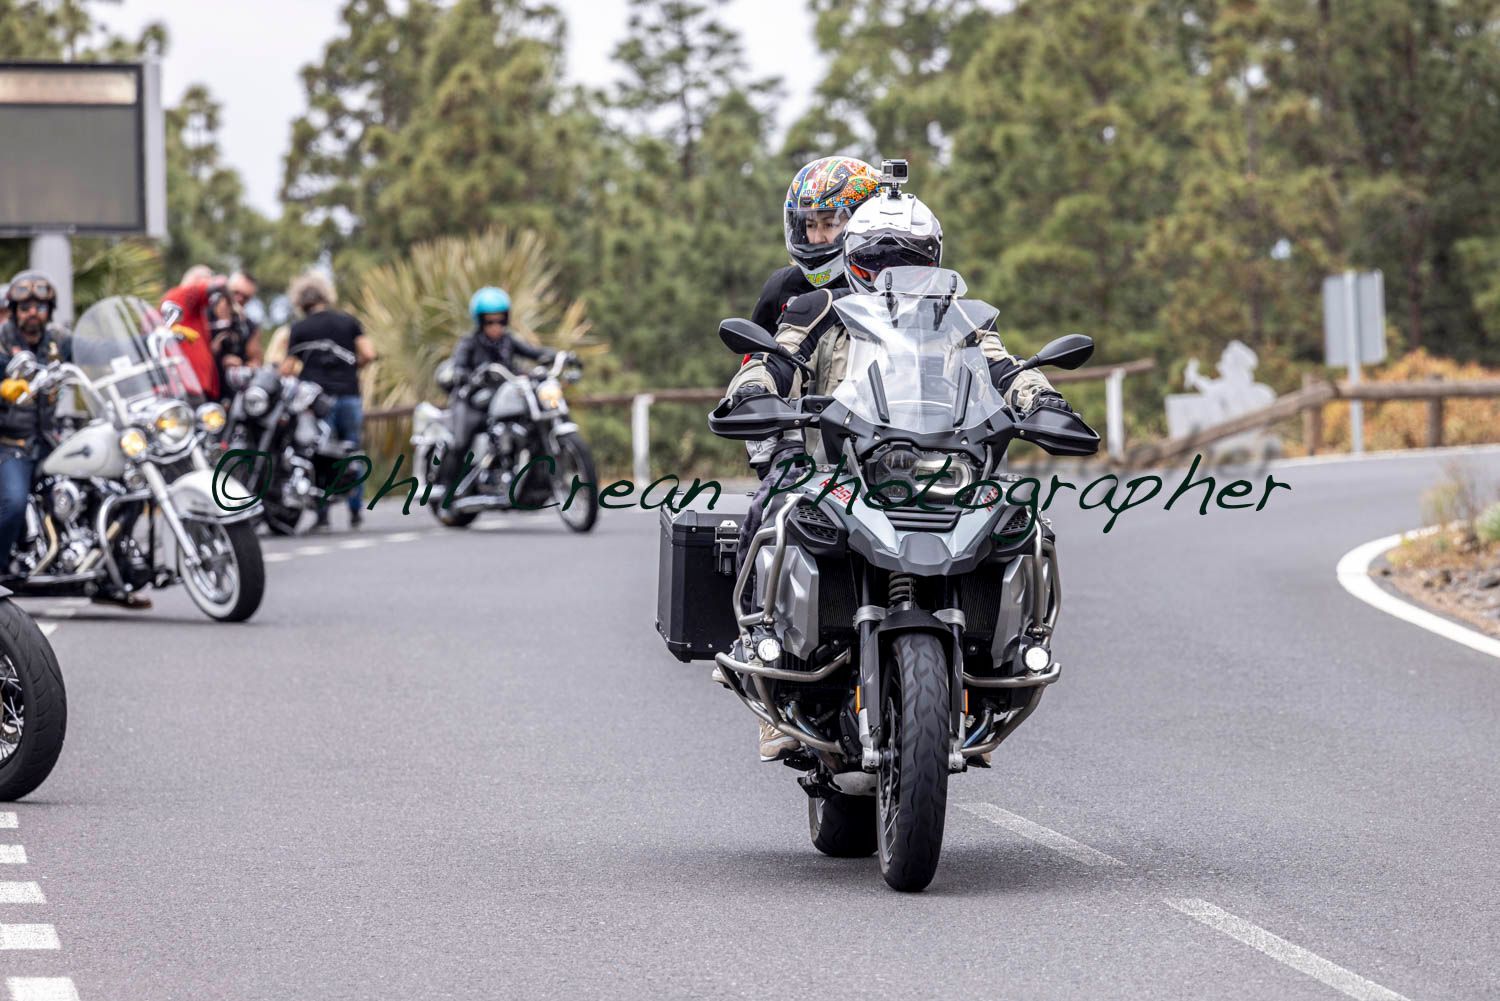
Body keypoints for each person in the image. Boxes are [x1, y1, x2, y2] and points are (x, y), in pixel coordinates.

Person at [724, 189, 1082, 762]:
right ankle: (762, 651)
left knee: (1023, 523)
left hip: (943, 458)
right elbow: (775, 357)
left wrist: (1044, 401)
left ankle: (995, 665)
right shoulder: (818, 309)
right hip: (842, 462)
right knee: (774, 506)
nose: (896, 273)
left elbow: (1005, 366)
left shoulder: (964, 319)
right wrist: (755, 389)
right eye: (880, 259)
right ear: (855, 258)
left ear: (933, 260)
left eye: (910, 259)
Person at [434, 286, 557, 484]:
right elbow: (459, 366)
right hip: (471, 400)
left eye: (501, 320)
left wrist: (557, 355)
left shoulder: (508, 341)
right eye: (490, 321)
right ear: (480, 321)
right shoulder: (469, 342)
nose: (496, 326)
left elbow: (534, 352)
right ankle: (448, 487)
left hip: (500, 398)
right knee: (460, 441)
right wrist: (466, 375)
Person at [284, 271, 375, 530]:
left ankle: (322, 515)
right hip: (349, 395)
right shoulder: (348, 322)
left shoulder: (300, 329)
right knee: (352, 451)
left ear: (301, 302)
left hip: (318, 401)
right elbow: (369, 353)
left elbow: (288, 367)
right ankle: (355, 511)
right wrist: (352, 367)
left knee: (319, 455)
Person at [160, 266, 226, 401]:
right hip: (188, 383)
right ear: (198, 279)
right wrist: (218, 283)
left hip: (195, 384)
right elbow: (219, 283)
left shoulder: (195, 311)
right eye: (207, 278)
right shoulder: (182, 294)